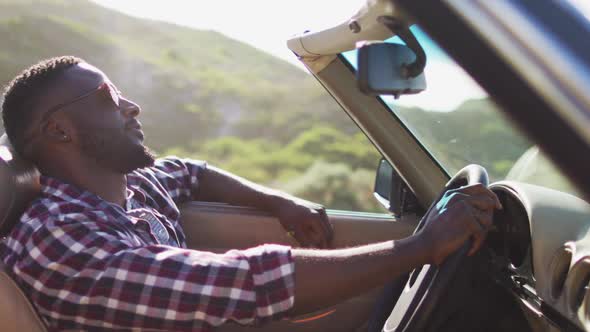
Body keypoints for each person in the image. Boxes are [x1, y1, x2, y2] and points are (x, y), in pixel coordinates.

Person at [0, 56, 501, 331]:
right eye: (109, 99)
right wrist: (421, 246)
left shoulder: (129, 187)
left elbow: (189, 172)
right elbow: (243, 285)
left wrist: (278, 203)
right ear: (60, 131)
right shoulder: (57, 240)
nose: (132, 106)